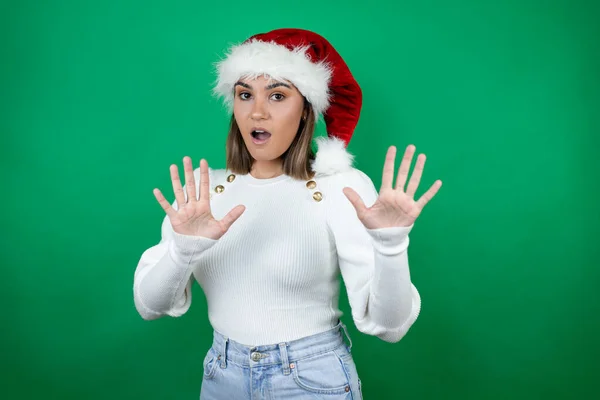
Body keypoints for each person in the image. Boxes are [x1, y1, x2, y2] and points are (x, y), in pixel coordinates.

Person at [133, 28, 442, 399]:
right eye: (245, 94)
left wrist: (391, 246)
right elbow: (150, 306)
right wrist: (182, 250)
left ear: (306, 109)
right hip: (222, 376)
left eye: (278, 95)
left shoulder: (338, 186)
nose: (257, 111)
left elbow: (390, 327)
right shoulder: (204, 193)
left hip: (310, 379)